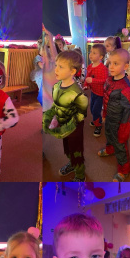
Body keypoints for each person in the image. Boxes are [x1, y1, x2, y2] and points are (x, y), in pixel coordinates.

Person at [42, 50, 89, 182]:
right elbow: (55, 106)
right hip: (63, 124)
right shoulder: (57, 86)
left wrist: (66, 129)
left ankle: (80, 175)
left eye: (61, 67)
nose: (56, 69)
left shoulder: (78, 93)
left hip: (75, 128)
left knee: (76, 151)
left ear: (72, 71)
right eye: (56, 65)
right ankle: (72, 164)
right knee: (67, 149)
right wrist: (47, 118)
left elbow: (81, 115)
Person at [98, 49, 130, 182]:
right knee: (108, 135)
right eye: (110, 63)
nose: (111, 67)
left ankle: (124, 170)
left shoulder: (126, 88)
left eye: (116, 64)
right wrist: (104, 114)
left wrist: (124, 131)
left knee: (121, 145)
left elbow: (128, 113)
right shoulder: (109, 80)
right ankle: (109, 149)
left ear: (125, 66)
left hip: (120, 123)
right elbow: (106, 98)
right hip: (109, 117)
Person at [84, 43, 109, 138]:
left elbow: (105, 80)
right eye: (91, 52)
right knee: (91, 108)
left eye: (94, 53)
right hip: (93, 92)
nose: (90, 54)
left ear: (101, 57)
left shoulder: (103, 68)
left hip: (101, 94)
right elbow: (87, 77)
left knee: (96, 110)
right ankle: (96, 120)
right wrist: (86, 85)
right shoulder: (90, 66)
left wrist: (93, 80)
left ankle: (98, 125)